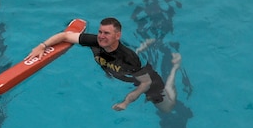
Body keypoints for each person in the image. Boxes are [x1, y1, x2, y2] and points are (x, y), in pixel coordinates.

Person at [26, 17, 182, 112]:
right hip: (123, 73)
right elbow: (66, 36)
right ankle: (146, 46)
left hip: (147, 80)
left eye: (106, 33)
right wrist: (42, 46)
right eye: (100, 32)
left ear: (117, 35)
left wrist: (126, 102)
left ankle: (175, 68)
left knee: (167, 108)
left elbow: (146, 82)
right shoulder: (95, 41)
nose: (101, 36)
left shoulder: (128, 57)